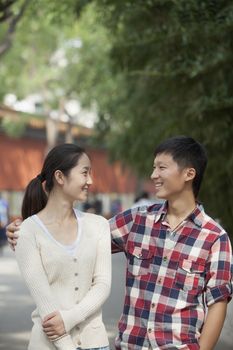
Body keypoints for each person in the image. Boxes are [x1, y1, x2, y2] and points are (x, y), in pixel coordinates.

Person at [7, 136, 232, 350]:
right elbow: (76, 240)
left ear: (189, 173)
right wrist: (28, 232)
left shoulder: (214, 238)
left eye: (162, 168)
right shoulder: (136, 220)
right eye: (154, 167)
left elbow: (217, 305)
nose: (153, 175)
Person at [10, 144, 111, 350]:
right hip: (48, 345)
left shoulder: (99, 224)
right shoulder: (28, 231)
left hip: (96, 343)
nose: (90, 181)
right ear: (60, 177)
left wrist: (68, 318)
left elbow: (102, 284)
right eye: (84, 173)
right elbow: (44, 302)